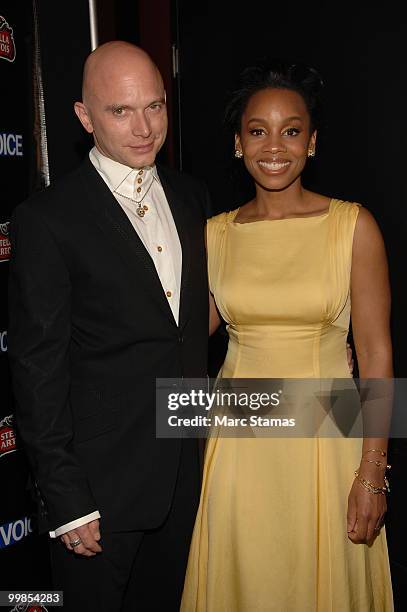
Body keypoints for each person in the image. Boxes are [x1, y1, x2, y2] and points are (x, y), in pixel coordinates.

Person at [181, 59, 394, 611]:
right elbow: (177, 341)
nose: (274, 146)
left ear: (312, 141)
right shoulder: (214, 235)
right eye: (258, 131)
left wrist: (374, 471)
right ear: (237, 143)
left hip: (328, 442)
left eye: (291, 130)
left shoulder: (354, 226)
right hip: (239, 444)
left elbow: (375, 352)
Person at [7, 41, 211, 612]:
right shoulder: (47, 220)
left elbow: (190, 329)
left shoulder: (193, 197)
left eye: (155, 106)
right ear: (83, 116)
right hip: (100, 494)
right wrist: (67, 497)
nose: (144, 128)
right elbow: (36, 367)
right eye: (121, 111)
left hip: (187, 478)